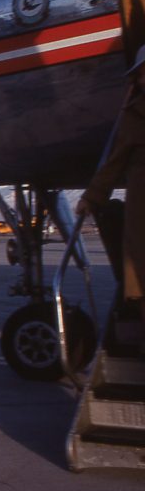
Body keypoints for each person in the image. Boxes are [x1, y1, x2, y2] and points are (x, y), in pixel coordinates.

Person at [78, 44, 145, 354]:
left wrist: (93, 196)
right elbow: (116, 162)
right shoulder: (136, 111)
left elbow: (115, 161)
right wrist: (93, 196)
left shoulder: (136, 111)